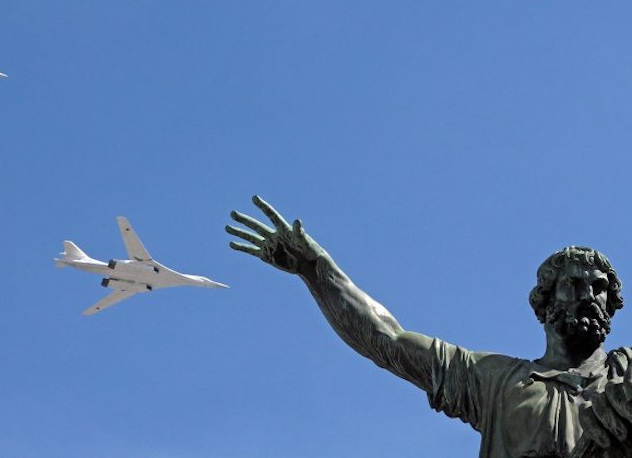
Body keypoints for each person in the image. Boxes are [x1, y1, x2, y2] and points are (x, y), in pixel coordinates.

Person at [226, 196, 632, 458]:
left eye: (599, 288)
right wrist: (316, 271)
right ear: (545, 301)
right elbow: (387, 339)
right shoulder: (494, 380)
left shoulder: (627, 373)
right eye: (573, 284)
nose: (589, 295)